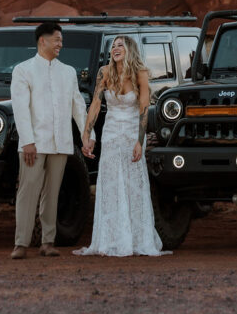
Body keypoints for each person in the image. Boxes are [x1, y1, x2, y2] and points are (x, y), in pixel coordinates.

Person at [74, 35, 168, 257]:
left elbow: (144, 108)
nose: (115, 49)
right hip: (112, 134)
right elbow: (96, 104)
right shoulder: (104, 72)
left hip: (132, 134)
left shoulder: (140, 73)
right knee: (110, 184)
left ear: (129, 50)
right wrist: (86, 135)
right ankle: (110, 238)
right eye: (113, 46)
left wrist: (140, 140)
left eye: (120, 46)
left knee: (133, 184)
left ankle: (137, 238)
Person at [10, 21, 92, 260]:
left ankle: (47, 242)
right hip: (34, 143)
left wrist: (88, 136)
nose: (60, 44)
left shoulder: (67, 72)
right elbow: (20, 109)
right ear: (42, 40)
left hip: (61, 143)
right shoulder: (23, 70)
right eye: (57, 39)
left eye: (61, 40)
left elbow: (78, 107)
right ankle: (21, 243)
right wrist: (27, 141)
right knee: (27, 192)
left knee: (53, 193)